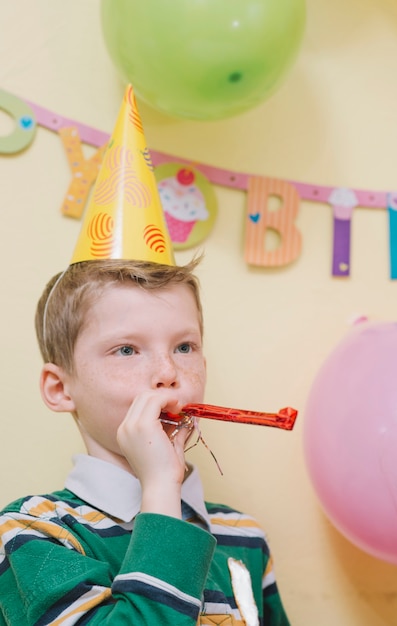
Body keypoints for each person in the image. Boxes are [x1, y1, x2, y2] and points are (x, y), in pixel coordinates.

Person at [0, 86, 291, 625]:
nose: (168, 373)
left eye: (185, 346)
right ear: (60, 388)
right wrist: (161, 488)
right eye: (127, 349)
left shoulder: (244, 538)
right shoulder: (34, 532)